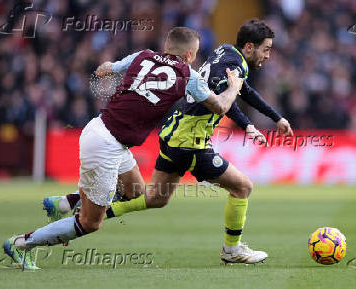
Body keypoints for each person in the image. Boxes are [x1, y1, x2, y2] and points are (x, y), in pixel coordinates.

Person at [45, 19, 293, 265]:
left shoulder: (226, 52)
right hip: (190, 143)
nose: (268, 55)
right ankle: (232, 249)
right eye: (266, 49)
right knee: (243, 187)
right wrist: (247, 124)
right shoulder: (233, 68)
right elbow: (222, 102)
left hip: (174, 134)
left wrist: (275, 117)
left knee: (156, 198)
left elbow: (243, 90)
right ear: (249, 47)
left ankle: (72, 204)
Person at [2, 26, 244, 270]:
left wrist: (104, 69)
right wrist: (234, 86)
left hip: (101, 130)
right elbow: (221, 107)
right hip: (106, 144)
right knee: (90, 222)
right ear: (190, 54)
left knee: (136, 191)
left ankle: (62, 204)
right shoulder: (188, 75)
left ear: (167, 47)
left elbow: (107, 68)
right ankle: (21, 243)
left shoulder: (143, 55)